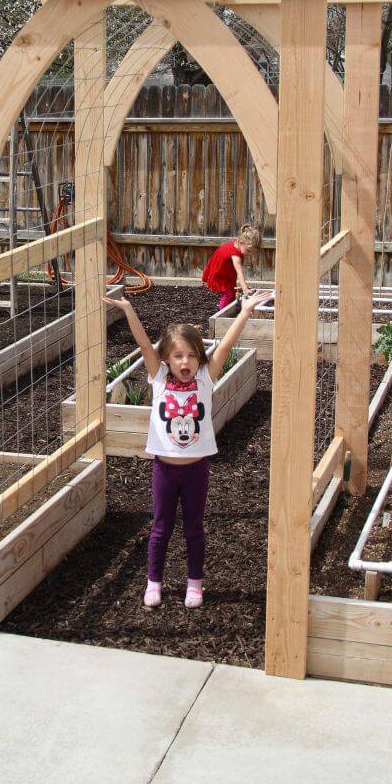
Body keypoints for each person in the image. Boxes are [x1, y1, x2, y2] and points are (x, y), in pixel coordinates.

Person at [103, 290, 266, 610]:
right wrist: (128, 310)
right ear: (166, 358)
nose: (185, 362)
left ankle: (195, 584)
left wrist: (245, 311)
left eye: (191, 355)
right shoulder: (158, 377)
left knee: (194, 528)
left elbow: (226, 345)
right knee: (160, 528)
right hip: (164, 470)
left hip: (196, 470)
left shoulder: (206, 377)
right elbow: (144, 345)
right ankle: (154, 582)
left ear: (199, 358)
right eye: (178, 356)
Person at [202, 225, 262, 310]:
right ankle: (223, 312)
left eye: (251, 252)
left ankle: (232, 307)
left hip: (224, 271)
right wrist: (245, 288)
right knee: (227, 294)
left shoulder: (237, 243)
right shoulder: (235, 256)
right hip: (219, 274)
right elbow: (240, 273)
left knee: (231, 291)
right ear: (241, 243)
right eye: (248, 251)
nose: (249, 254)